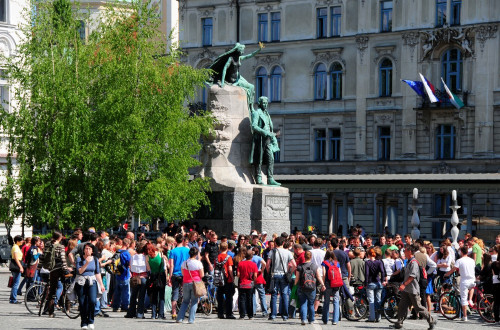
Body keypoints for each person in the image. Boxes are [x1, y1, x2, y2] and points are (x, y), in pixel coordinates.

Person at [209, 42, 264, 114]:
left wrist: (259, 50)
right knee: (251, 87)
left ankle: (251, 107)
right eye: (242, 50)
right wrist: (222, 82)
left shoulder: (239, 58)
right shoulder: (230, 59)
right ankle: (250, 108)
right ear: (238, 50)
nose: (243, 52)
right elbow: (225, 68)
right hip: (233, 81)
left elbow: (250, 55)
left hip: (238, 78)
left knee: (251, 87)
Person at [394, 244, 436, 330]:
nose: (404, 252)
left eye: (405, 251)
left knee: (418, 307)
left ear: (409, 251)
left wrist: (404, 284)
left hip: (413, 289)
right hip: (407, 289)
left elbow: (412, 276)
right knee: (402, 306)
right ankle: (399, 323)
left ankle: (431, 320)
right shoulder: (409, 261)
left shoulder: (414, 263)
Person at [249, 96, 280, 186]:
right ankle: (258, 176)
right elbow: (254, 126)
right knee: (259, 158)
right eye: (263, 103)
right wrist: (263, 132)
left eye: (266, 103)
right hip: (260, 139)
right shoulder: (256, 113)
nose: (265, 105)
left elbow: (270, 128)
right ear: (259, 103)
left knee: (271, 158)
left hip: (268, 140)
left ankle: (270, 178)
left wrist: (273, 138)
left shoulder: (267, 114)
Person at [75, 243, 106, 330]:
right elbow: (80, 271)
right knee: (82, 303)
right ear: (84, 250)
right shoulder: (79, 259)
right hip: (81, 282)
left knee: (92, 301)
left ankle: (91, 321)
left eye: (89, 249)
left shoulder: (95, 259)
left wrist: (101, 284)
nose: (87, 250)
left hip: (92, 281)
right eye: (86, 248)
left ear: (92, 251)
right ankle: (84, 322)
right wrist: (87, 263)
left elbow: (97, 273)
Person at [266, 236, 296, 321]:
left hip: (274, 275)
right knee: (284, 295)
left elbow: (268, 264)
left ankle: (273, 315)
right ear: (283, 243)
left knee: (274, 295)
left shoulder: (272, 252)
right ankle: (285, 315)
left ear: (275, 243)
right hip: (284, 275)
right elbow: (294, 265)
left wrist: (269, 272)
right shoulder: (288, 252)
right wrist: (289, 272)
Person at [43, 231, 71, 318]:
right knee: (66, 287)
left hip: (51, 269)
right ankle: (67, 308)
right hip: (59, 269)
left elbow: (43, 256)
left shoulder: (47, 244)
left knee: (52, 290)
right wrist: (66, 269)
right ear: (60, 237)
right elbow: (63, 259)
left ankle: (50, 312)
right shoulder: (60, 246)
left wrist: (40, 267)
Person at [444, 245, 476, 322]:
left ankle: (465, 317)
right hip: (472, 278)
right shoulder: (472, 260)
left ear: (461, 252)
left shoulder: (459, 261)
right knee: (472, 287)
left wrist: (446, 274)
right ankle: (471, 299)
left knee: (463, 299)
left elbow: (453, 269)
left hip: (464, 280)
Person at [295, 250, 326, 325]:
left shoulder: (300, 266)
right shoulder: (314, 266)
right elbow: (318, 276)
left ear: (304, 257)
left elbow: (297, 278)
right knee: (311, 304)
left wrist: (295, 285)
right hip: (312, 287)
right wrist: (323, 284)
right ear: (311, 257)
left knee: (303, 303)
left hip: (302, 286)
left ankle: (303, 319)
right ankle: (311, 320)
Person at [176, 247, 204, 324]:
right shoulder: (198, 263)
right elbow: (202, 275)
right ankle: (191, 319)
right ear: (196, 254)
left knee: (185, 301)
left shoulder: (185, 262)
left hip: (186, 283)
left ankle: (180, 318)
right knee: (194, 301)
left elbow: (183, 273)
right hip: (196, 283)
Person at [168, 234, 190, 319]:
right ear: (183, 241)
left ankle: (174, 312)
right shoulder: (187, 250)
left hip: (176, 274)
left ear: (176, 241)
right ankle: (183, 311)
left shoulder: (173, 251)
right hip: (184, 274)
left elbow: (171, 265)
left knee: (175, 293)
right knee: (185, 293)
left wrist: (170, 276)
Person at [125, 241, 148, 319]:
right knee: (141, 297)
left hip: (135, 277)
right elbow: (148, 268)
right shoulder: (145, 257)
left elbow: (130, 267)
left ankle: (131, 312)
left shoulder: (133, 257)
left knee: (133, 296)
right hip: (143, 277)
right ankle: (140, 313)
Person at [364, 247, 386, 322]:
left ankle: (372, 317)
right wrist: (382, 280)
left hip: (370, 283)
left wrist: (366, 283)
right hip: (378, 282)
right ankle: (378, 317)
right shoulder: (379, 262)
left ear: (369, 255)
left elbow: (366, 273)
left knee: (371, 301)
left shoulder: (367, 262)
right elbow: (382, 271)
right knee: (378, 300)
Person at [216, 242, 236, 319]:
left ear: (220, 248)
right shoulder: (228, 257)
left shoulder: (217, 257)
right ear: (227, 248)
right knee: (229, 297)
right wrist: (232, 278)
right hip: (227, 279)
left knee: (220, 297)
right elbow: (230, 269)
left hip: (219, 279)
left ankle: (220, 313)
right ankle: (228, 313)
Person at [321, 251, 341, 325]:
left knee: (326, 301)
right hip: (336, 284)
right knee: (336, 301)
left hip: (328, 283)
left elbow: (323, 273)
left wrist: (323, 284)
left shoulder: (324, 263)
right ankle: (335, 320)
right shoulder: (337, 263)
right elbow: (340, 273)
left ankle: (325, 319)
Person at [237, 249, 258, 319]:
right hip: (250, 284)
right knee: (250, 299)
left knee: (242, 299)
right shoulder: (254, 265)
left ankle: (242, 315)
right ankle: (250, 315)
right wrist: (254, 281)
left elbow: (238, 274)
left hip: (242, 283)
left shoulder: (240, 263)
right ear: (252, 257)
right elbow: (255, 276)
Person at [112, 238, 131, 313]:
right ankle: (124, 306)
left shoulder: (117, 251)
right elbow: (129, 263)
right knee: (125, 291)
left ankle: (115, 306)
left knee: (117, 291)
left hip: (118, 273)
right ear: (127, 244)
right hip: (125, 273)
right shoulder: (126, 253)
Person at [9, 235, 24, 304]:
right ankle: (13, 299)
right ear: (17, 241)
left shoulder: (17, 247)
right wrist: (20, 267)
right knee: (16, 283)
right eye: (21, 240)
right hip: (16, 266)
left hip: (16, 265)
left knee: (15, 283)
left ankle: (12, 298)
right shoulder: (15, 247)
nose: (22, 241)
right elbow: (16, 258)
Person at [491, 245, 500, 323]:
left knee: (496, 301)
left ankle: (497, 318)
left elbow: (493, 273)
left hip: (495, 282)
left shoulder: (494, 263)